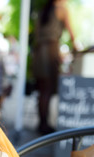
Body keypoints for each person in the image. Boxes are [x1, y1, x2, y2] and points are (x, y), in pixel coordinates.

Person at [32, 0, 77, 135]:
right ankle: (44, 125)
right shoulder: (62, 9)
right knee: (47, 90)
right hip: (50, 50)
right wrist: (75, 48)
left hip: (38, 51)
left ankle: (42, 123)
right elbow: (72, 34)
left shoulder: (44, 10)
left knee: (42, 90)